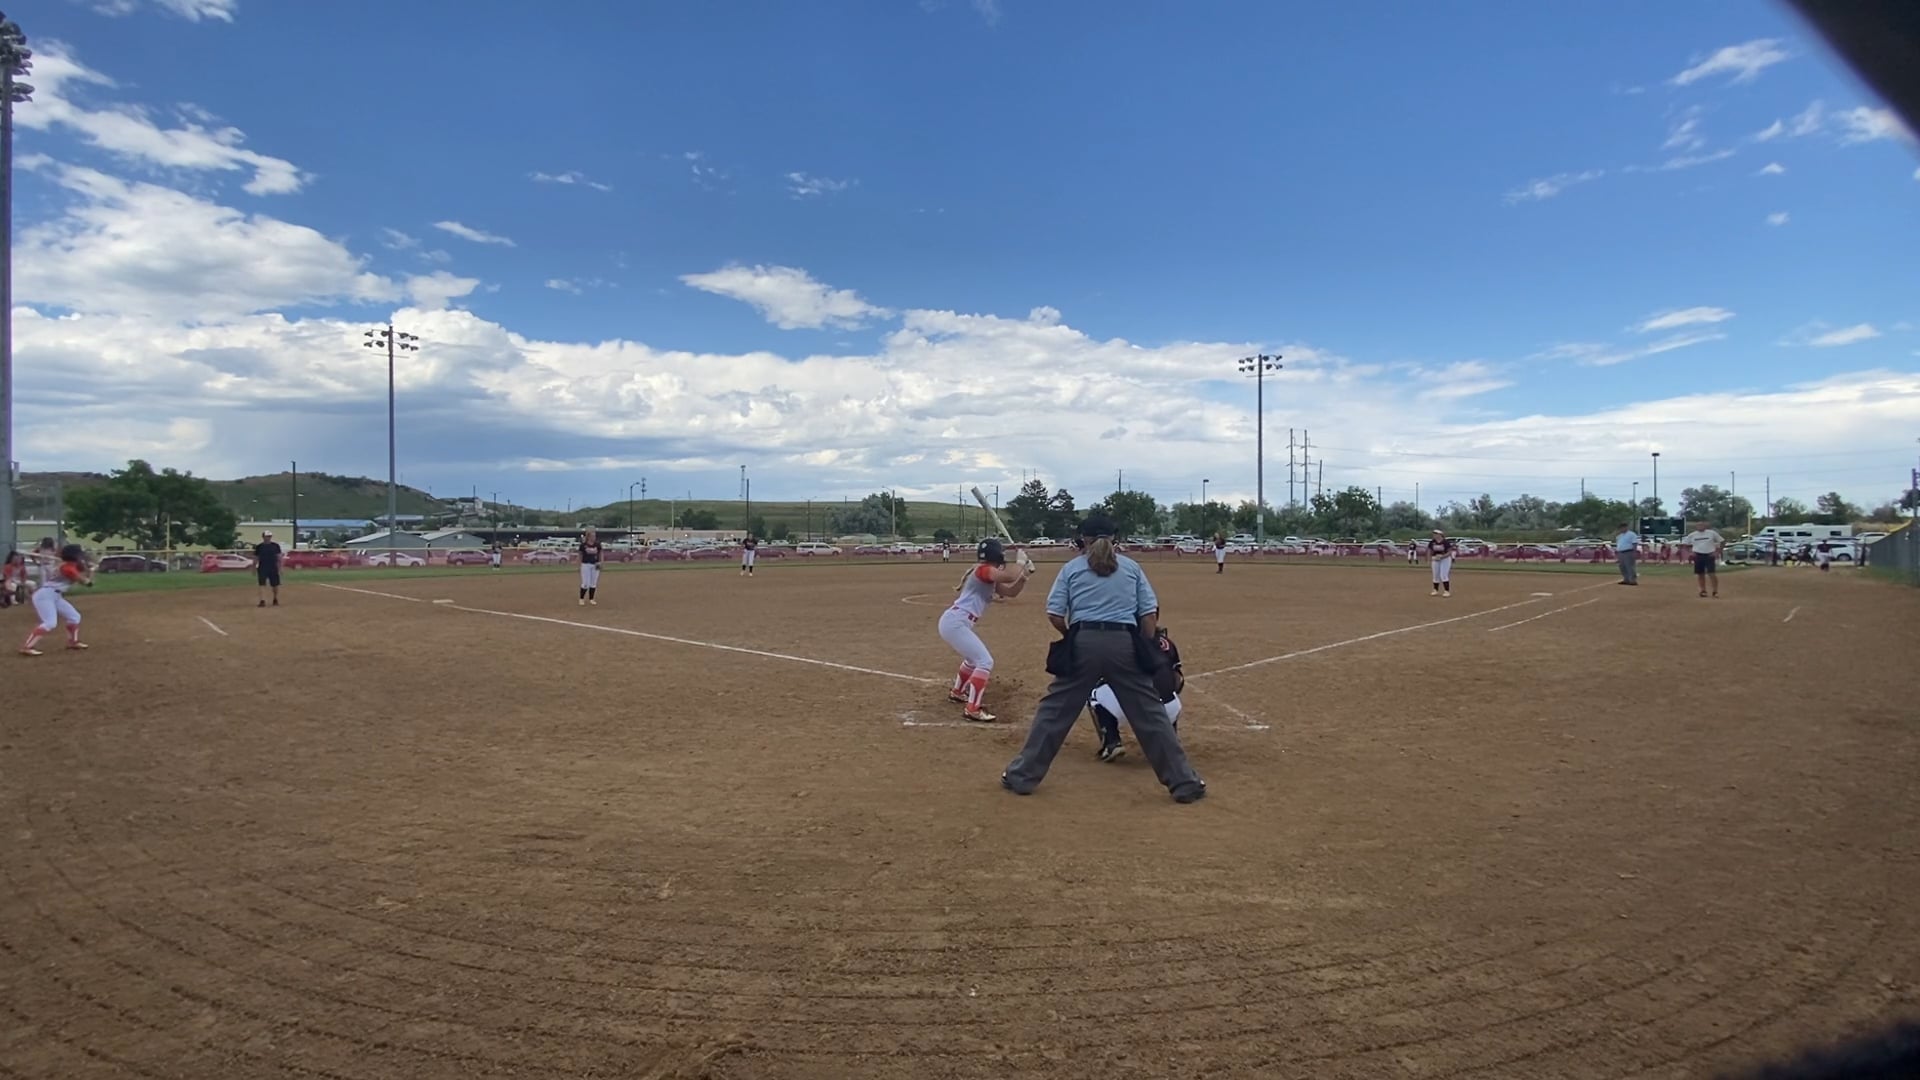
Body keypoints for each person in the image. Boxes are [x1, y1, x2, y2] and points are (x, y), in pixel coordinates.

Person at [1001, 513, 1206, 803]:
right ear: (1115, 539)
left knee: (1054, 711)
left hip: (1083, 641)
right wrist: (1142, 644)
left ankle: (1022, 776)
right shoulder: (1131, 568)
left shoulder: (1072, 569)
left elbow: (1055, 614)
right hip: (1124, 643)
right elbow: (1149, 615)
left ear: (1082, 540)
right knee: (1150, 714)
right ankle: (1184, 782)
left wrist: (1073, 635)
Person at [940, 538, 1032, 722]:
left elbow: (1010, 592)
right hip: (956, 622)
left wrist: (1023, 576)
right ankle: (972, 709)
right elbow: (1009, 576)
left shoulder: (988, 574)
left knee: (972, 660)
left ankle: (958, 692)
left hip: (956, 622)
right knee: (985, 661)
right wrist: (1020, 562)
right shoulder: (984, 570)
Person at [1088, 625, 1184, 763]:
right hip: (1167, 711)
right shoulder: (1165, 642)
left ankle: (1111, 742)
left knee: (1093, 692)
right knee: (1169, 694)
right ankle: (1169, 742)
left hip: (1128, 708)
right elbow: (1178, 681)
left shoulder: (1115, 641)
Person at [21, 543, 91, 656]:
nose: (81, 556)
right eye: (79, 555)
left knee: (74, 617)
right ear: (74, 556)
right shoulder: (68, 568)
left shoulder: (70, 565)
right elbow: (87, 583)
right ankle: (27, 647)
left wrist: (86, 567)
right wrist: (91, 571)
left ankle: (73, 642)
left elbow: (81, 570)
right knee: (50, 623)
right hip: (45, 595)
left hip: (55, 596)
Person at [1681, 520, 1725, 597]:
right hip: (1698, 555)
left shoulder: (1711, 533)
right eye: (1698, 525)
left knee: (1711, 573)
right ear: (1696, 527)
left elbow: (1722, 541)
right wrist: (1690, 552)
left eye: (1702, 525)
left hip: (1709, 555)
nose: (1700, 527)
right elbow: (1684, 544)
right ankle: (1703, 590)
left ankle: (1715, 591)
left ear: (1705, 526)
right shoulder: (1692, 535)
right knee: (1700, 574)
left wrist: (1718, 552)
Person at [254, 530, 284, 607]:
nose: (268, 538)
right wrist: (253, 567)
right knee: (262, 584)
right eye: (267, 536)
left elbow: (279, 557)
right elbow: (256, 558)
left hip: (273, 567)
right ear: (263, 537)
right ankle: (262, 600)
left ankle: (275, 598)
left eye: (269, 536)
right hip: (262, 567)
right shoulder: (259, 547)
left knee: (275, 585)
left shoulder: (275, 546)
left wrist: (280, 568)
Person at [578, 527, 603, 606]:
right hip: (586, 564)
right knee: (586, 583)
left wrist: (601, 562)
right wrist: (579, 564)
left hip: (595, 564)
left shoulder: (597, 544)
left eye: (594, 536)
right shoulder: (583, 545)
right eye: (592, 536)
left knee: (593, 583)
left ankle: (591, 599)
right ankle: (581, 598)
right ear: (588, 537)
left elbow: (600, 553)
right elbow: (580, 555)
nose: (594, 538)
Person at [1428, 529, 1455, 597]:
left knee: (1443, 575)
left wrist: (1442, 557)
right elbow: (1429, 550)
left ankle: (1446, 591)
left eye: (1435, 534)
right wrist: (1430, 558)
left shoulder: (1445, 542)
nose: (1434, 535)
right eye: (1434, 534)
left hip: (1445, 559)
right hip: (1435, 559)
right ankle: (1435, 590)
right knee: (1435, 575)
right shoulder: (1432, 542)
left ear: (1440, 535)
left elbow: (1449, 552)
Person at [1614, 521, 1640, 586]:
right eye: (1620, 528)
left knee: (1629, 566)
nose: (1621, 529)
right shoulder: (1619, 536)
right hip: (1621, 552)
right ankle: (1626, 579)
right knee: (1622, 566)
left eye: (1623, 527)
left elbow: (1634, 543)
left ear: (1626, 527)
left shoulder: (1631, 534)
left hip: (1628, 552)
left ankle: (1632, 580)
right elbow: (1618, 545)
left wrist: (1634, 552)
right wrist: (1617, 554)